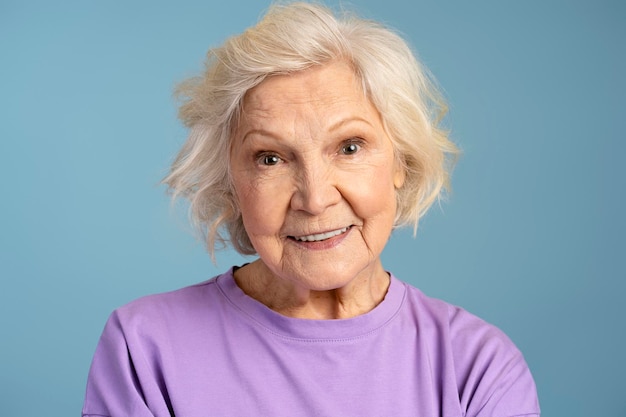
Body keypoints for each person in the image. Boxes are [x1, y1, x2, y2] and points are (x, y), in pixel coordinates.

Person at [82, 2, 540, 416]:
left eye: (349, 147)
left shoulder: (479, 370)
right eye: (270, 159)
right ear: (232, 185)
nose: (315, 197)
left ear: (401, 161)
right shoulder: (143, 349)